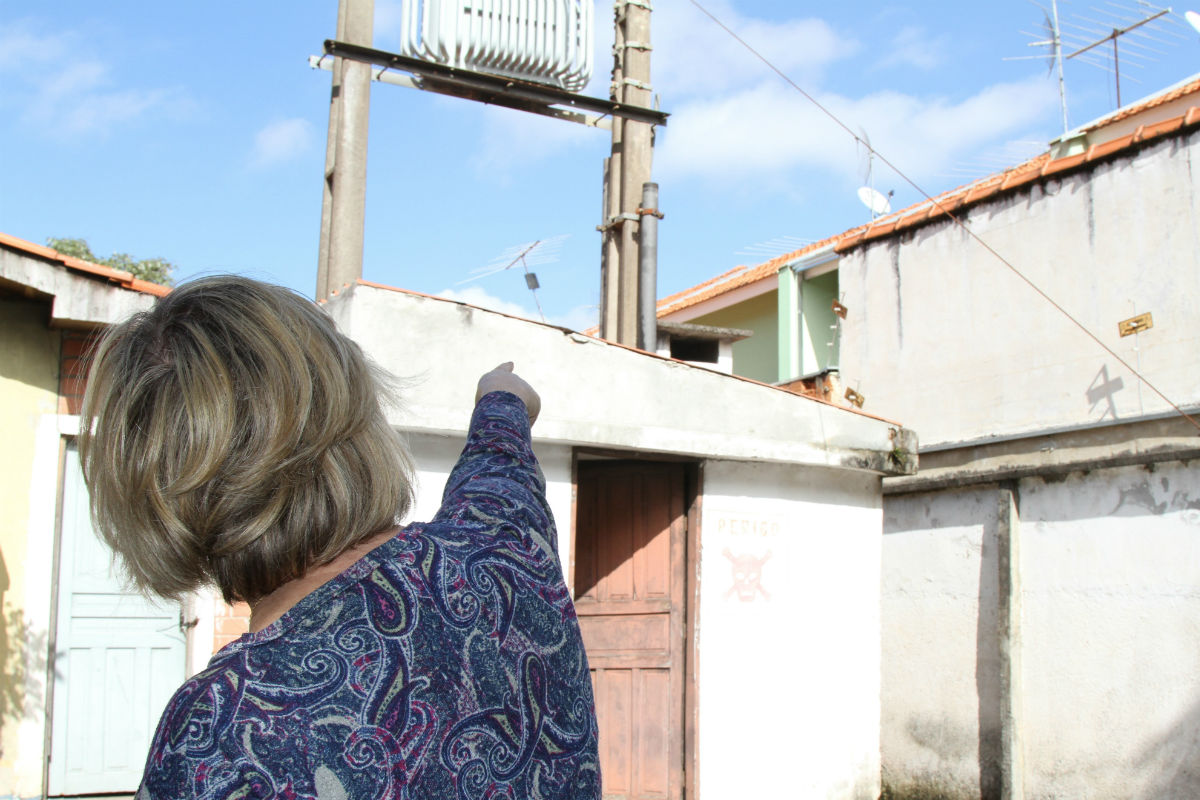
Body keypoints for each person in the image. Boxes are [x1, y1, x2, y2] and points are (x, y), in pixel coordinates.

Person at [78, 276, 600, 799]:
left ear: (150, 490)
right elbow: (498, 468)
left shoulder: (219, 732)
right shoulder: (501, 547)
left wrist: (500, 407)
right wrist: (501, 399)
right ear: (352, 416)